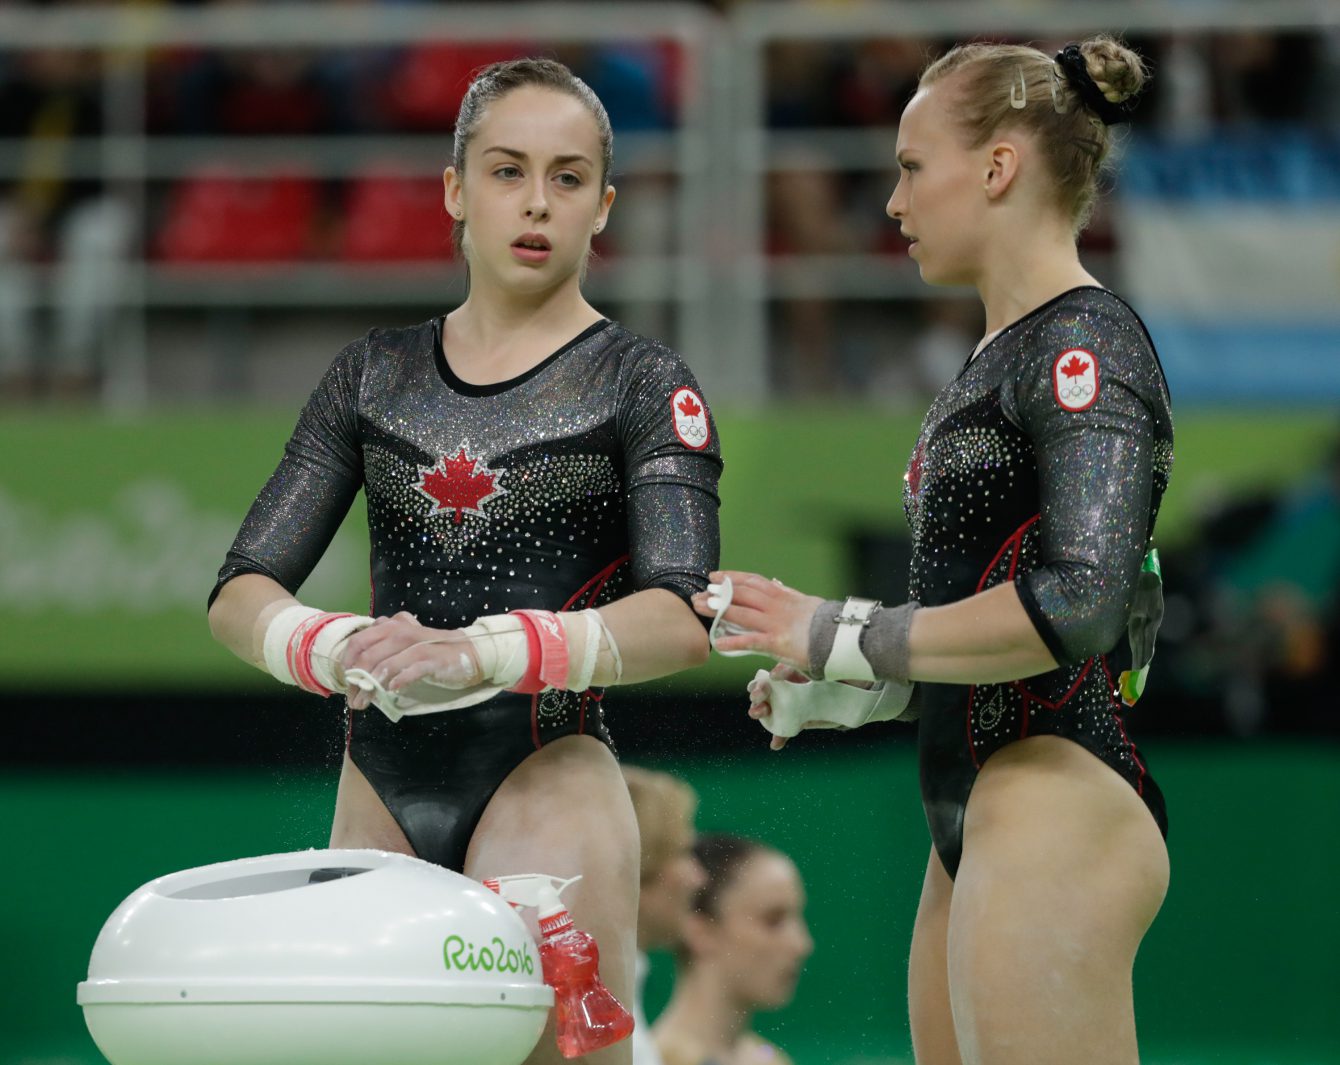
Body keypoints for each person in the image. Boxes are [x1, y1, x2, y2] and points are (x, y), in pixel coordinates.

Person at [207, 57, 722, 1065]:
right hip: (381, 781)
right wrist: (339, 645)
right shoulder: (371, 374)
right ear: (453, 190)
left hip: (546, 778)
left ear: (602, 207)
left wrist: (480, 655)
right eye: (506, 170)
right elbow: (240, 590)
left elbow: (681, 616)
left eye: (568, 178)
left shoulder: (640, 382)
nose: (536, 202)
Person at [695, 37, 1173, 1065]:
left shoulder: (1083, 348)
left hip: (1055, 788)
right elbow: (996, 612)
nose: (892, 202)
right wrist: (864, 684)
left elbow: (1082, 605)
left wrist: (843, 631)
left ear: (997, 167)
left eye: (911, 167)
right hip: (974, 797)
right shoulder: (994, 360)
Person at [653, 834, 812, 1065]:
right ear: (701, 931)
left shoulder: (769, 1059)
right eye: (773, 921)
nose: (801, 945)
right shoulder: (651, 1058)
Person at [621, 766, 707, 1065]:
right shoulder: (601, 1018)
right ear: (638, 870)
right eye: (683, 852)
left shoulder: (622, 1001)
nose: (698, 878)